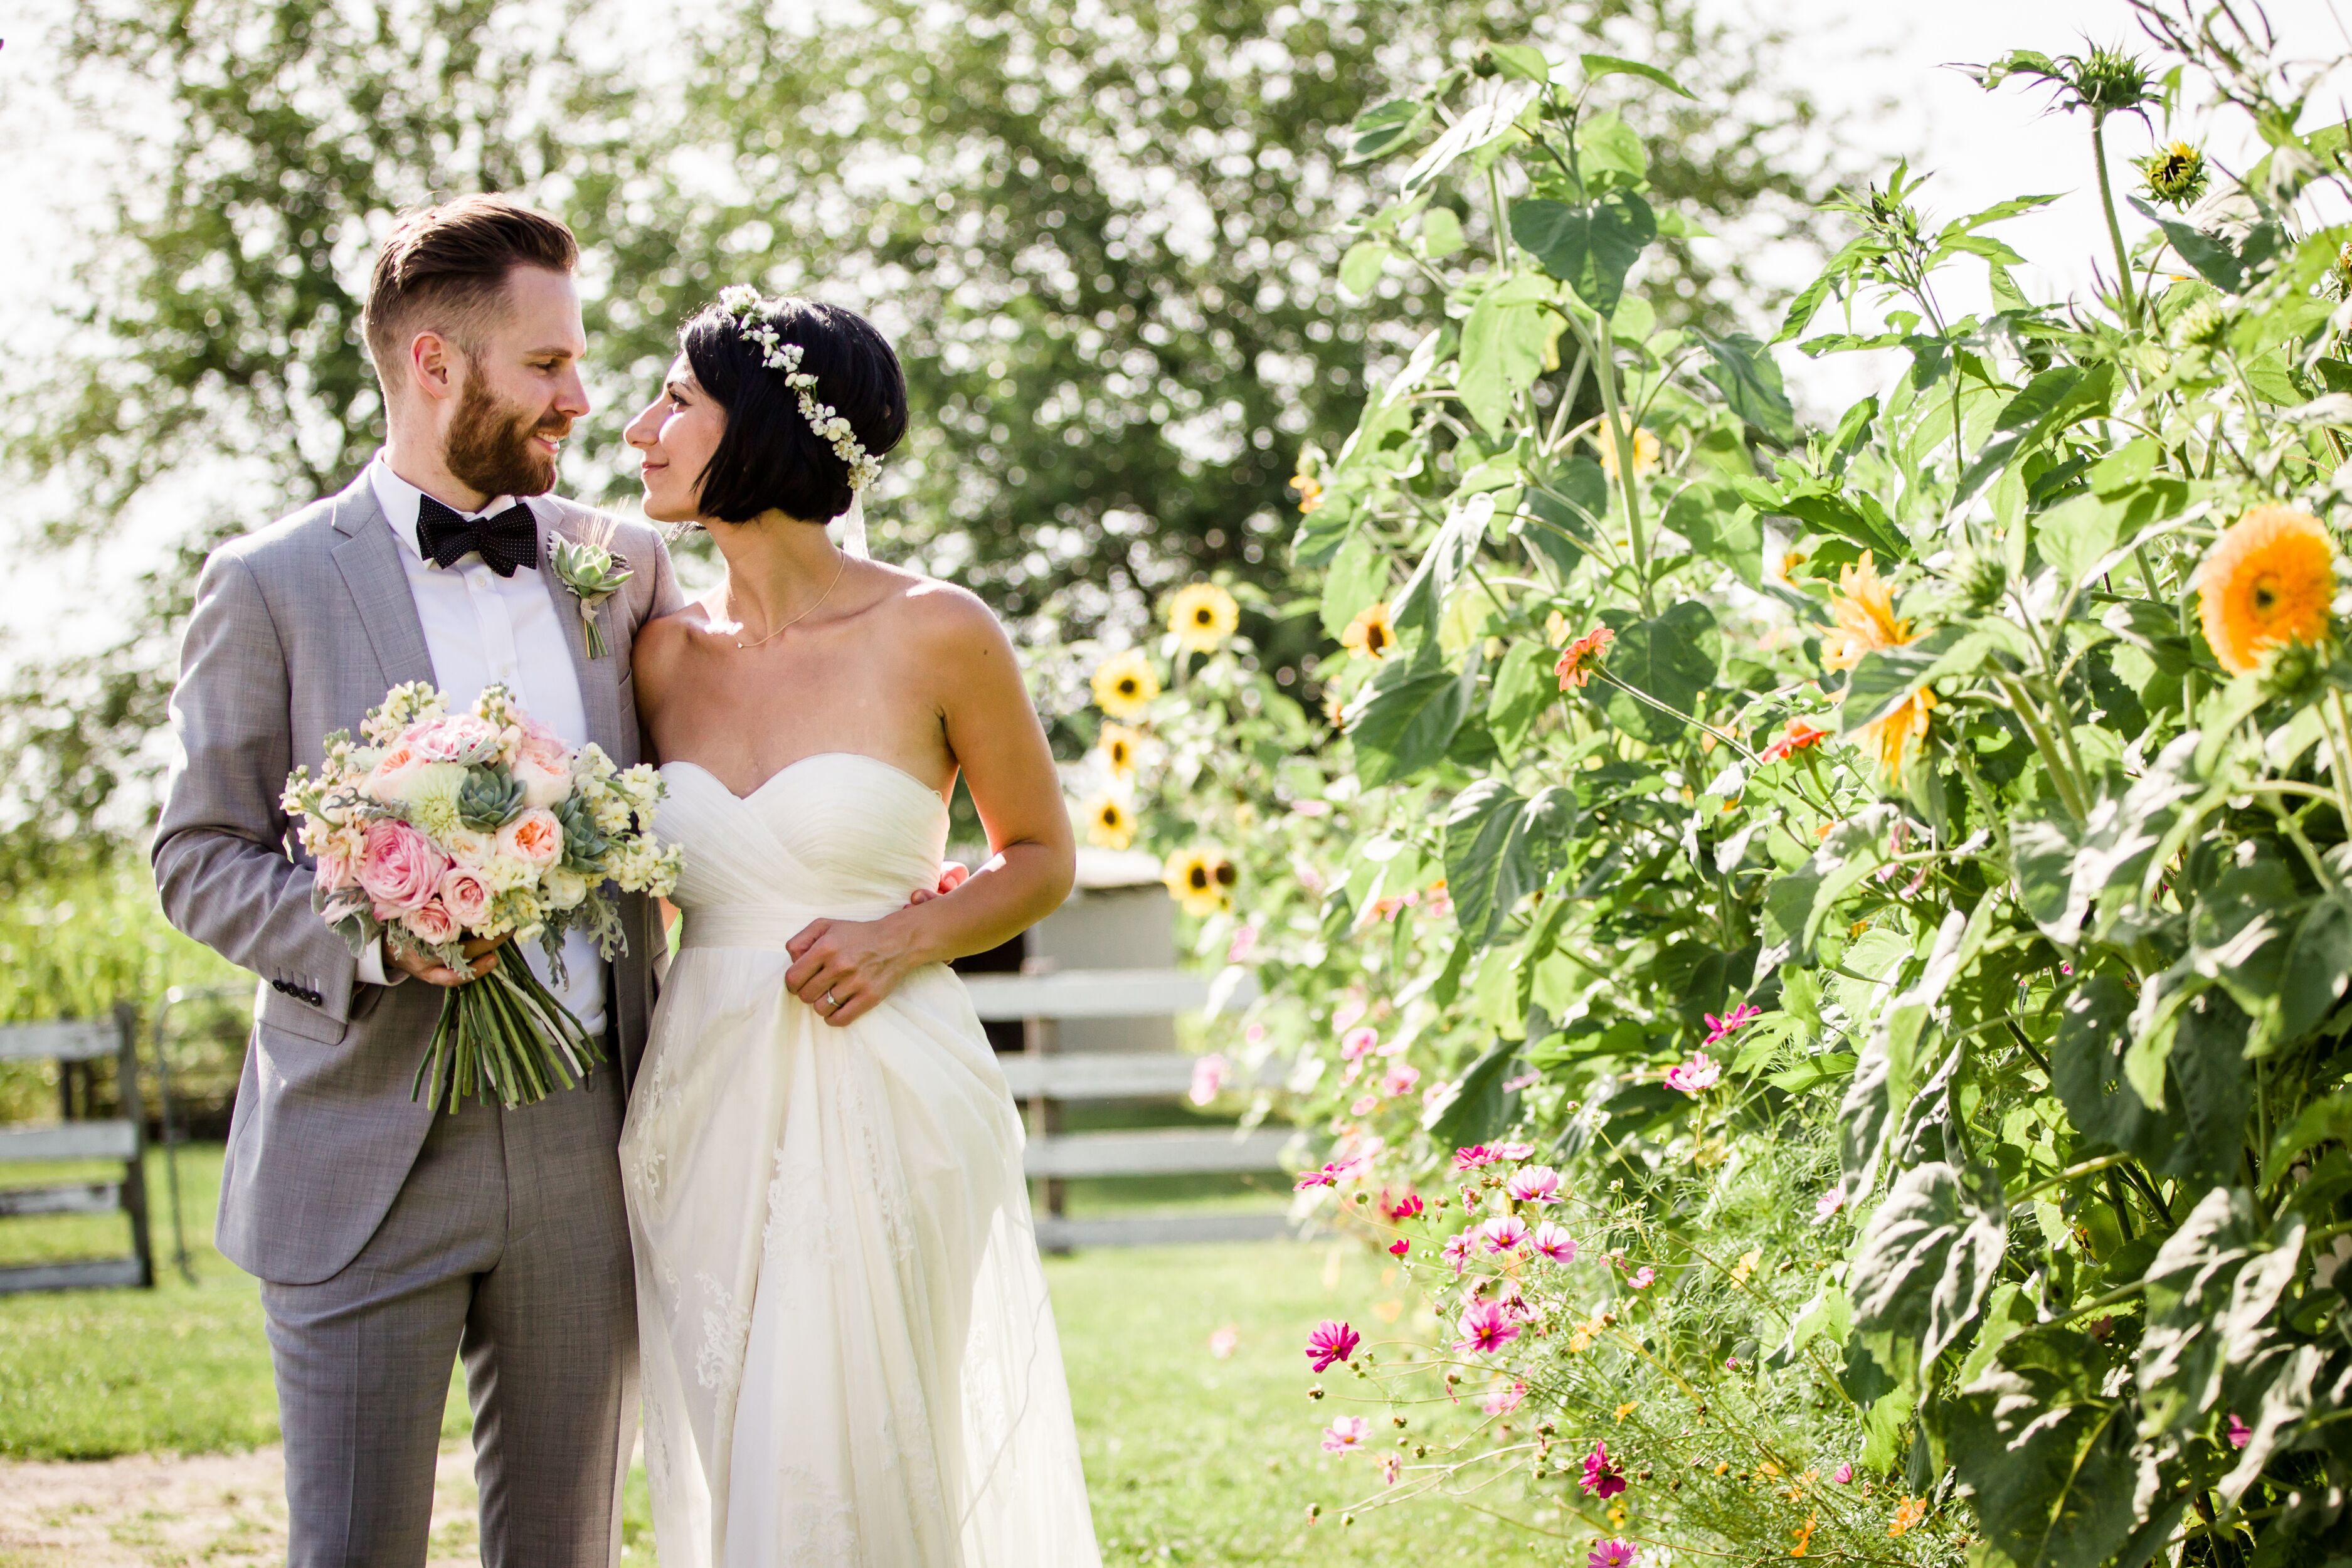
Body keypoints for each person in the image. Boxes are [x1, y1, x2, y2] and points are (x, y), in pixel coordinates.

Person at [152, 194, 683, 1567]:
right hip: (358, 1140)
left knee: (565, 1549)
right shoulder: (266, 583)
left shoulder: (621, 568)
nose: (582, 396)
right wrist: (376, 930)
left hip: (585, 1135)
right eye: (548, 364)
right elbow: (197, 856)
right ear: (437, 364)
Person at [617, 288, 1101, 1565]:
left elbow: (1044, 858)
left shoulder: (939, 629)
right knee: (741, 1452)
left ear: (763, 422)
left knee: (850, 1454)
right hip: (703, 1093)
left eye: (674, 397)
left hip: (887, 1085)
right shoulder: (659, 657)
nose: (638, 428)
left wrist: (901, 938)